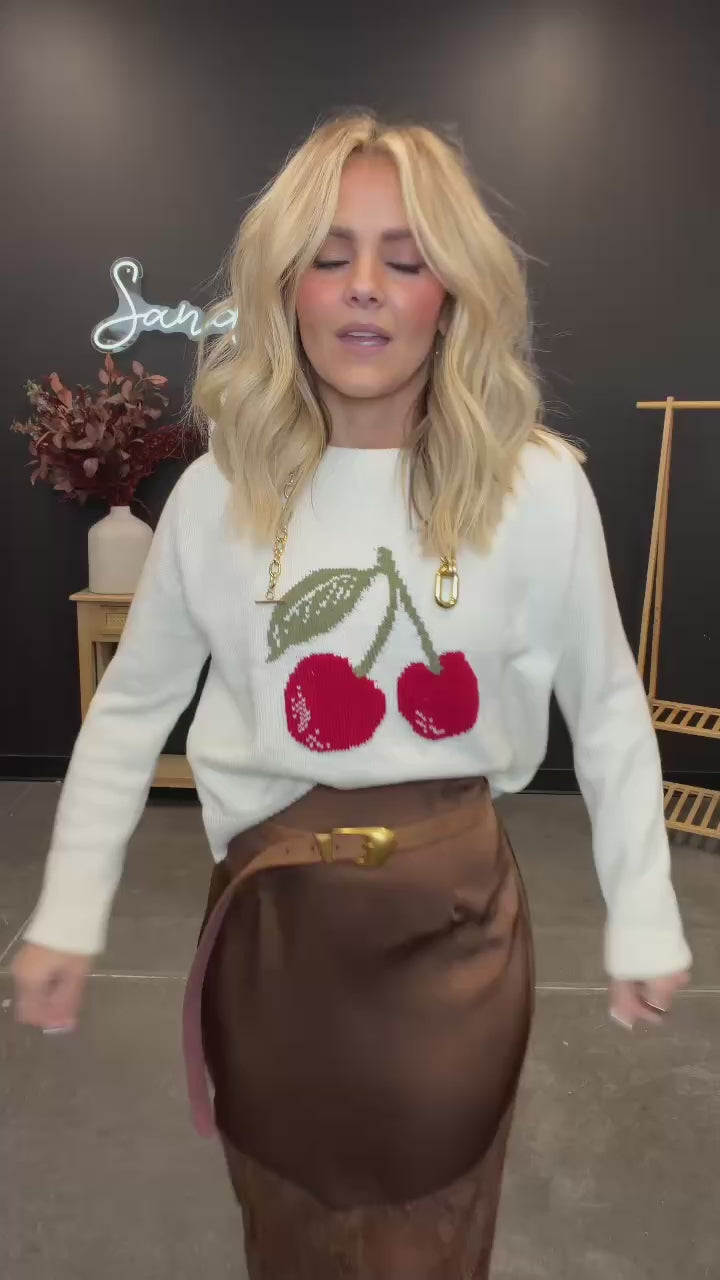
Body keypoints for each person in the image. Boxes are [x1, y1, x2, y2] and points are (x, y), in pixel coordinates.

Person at [13, 113, 691, 1278]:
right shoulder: (219, 492)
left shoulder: (537, 487)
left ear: (453, 292)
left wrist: (644, 909)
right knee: (286, 1225)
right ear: (286, 290)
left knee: (430, 1232)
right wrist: (69, 908)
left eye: (405, 256)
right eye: (330, 256)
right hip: (274, 938)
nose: (365, 285)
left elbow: (610, 706)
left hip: (453, 937)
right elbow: (128, 711)